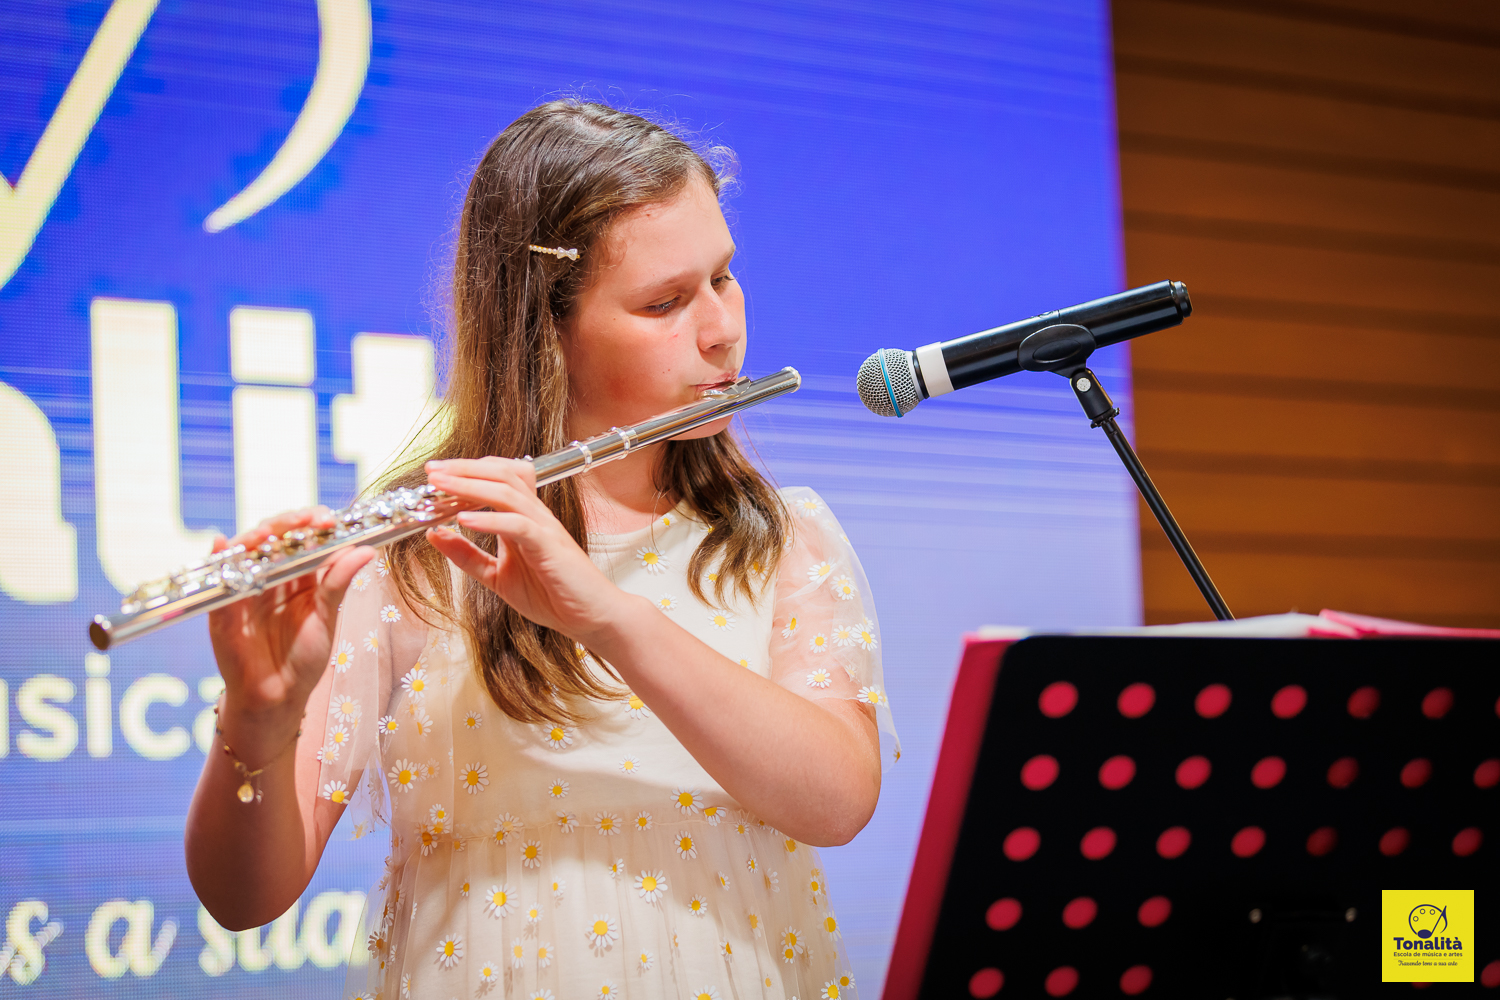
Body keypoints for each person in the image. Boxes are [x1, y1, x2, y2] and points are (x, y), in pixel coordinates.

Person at [186, 99, 899, 999]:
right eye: (665, 302)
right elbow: (244, 899)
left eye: (723, 277)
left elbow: (837, 802)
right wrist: (258, 720)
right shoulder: (419, 554)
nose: (721, 327)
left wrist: (608, 619)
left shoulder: (777, 537)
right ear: (544, 328)